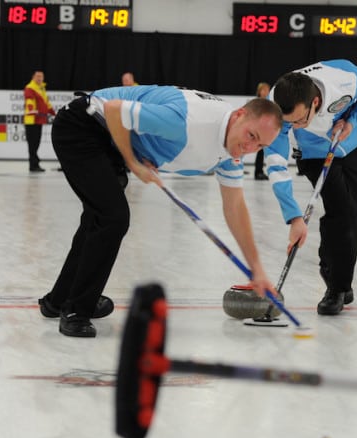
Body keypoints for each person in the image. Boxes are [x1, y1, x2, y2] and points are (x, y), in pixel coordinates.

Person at [40, 87, 280, 337]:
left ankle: (59, 301)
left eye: (261, 145)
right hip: (84, 126)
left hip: (109, 137)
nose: (251, 148)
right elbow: (113, 110)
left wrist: (257, 270)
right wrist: (132, 161)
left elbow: (235, 206)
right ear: (239, 115)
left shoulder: (233, 151)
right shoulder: (186, 122)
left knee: (99, 218)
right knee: (112, 218)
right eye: (251, 136)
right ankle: (77, 309)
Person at [262, 59, 357, 316]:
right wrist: (293, 215)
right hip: (313, 154)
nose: (294, 127)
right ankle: (336, 286)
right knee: (342, 211)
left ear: (315, 103)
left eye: (299, 120)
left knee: (351, 213)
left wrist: (353, 119)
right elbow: (275, 163)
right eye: (290, 124)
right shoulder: (278, 102)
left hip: (354, 143)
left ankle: (339, 278)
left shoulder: (345, 79)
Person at [23, 70, 55, 173]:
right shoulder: (30, 88)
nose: (39, 78)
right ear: (33, 77)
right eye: (37, 76)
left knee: (36, 143)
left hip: (39, 120)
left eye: (41, 76)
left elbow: (46, 103)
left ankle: (35, 163)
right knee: (33, 144)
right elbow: (29, 101)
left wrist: (53, 112)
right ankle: (33, 165)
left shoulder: (41, 88)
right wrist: (32, 110)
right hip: (32, 120)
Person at [253, 81, 272, 180]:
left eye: (267, 90)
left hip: (265, 129)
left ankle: (259, 171)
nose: (266, 92)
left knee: (262, 151)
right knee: (260, 151)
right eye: (263, 90)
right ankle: (258, 172)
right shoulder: (258, 103)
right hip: (258, 129)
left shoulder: (269, 103)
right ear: (259, 91)